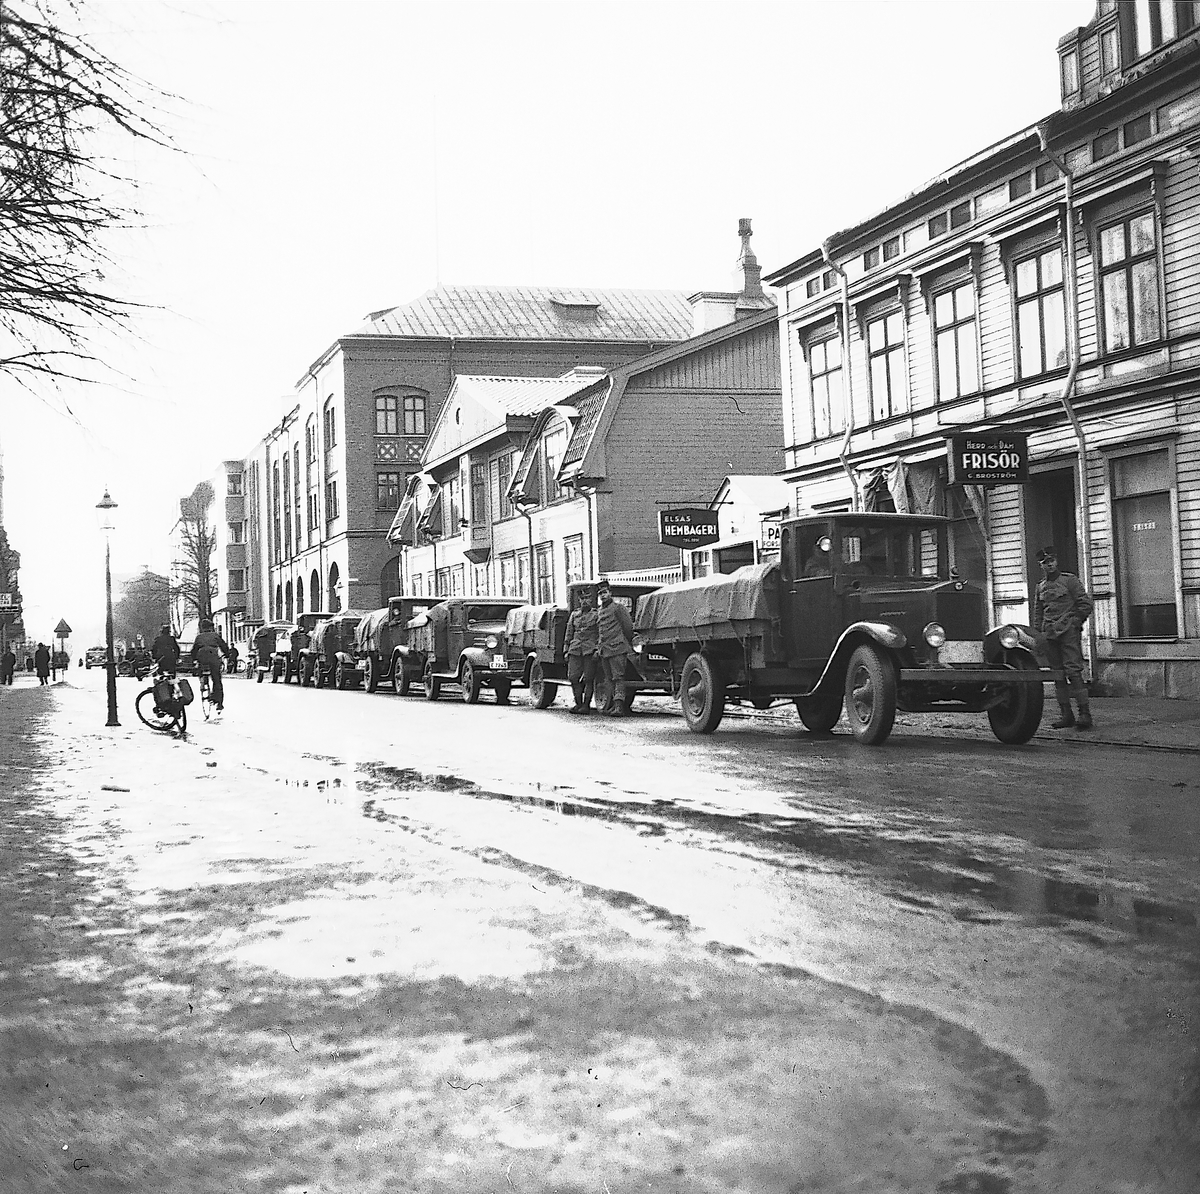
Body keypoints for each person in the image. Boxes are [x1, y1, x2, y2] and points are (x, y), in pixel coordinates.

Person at [1033, 545, 1095, 731]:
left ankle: (1084, 714)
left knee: (1073, 672)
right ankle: (1066, 715)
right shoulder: (1040, 587)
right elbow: (1038, 613)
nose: (1050, 565)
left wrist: (1075, 622)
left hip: (1068, 633)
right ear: (1041, 565)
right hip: (1050, 635)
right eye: (1045, 562)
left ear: (1056, 561)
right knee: (1057, 674)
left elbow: (1085, 604)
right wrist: (1039, 634)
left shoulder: (1070, 581)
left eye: (1052, 561)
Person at [595, 582, 636, 716]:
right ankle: (613, 705)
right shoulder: (600, 611)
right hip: (604, 650)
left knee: (618, 677)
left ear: (610, 593)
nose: (603, 596)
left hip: (617, 648)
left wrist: (626, 643)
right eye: (600, 594)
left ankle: (619, 707)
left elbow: (628, 627)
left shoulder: (618, 608)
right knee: (609, 679)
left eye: (605, 592)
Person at [564, 587, 600, 714]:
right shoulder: (574, 615)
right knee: (573, 677)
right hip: (575, 649)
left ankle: (586, 705)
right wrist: (566, 650)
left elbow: (600, 633)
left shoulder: (596, 615)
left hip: (590, 650)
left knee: (588, 678)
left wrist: (597, 649)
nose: (585, 601)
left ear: (591, 600)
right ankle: (578, 703)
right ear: (579, 600)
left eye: (587, 598)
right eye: (582, 599)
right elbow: (569, 633)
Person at [193, 618, 234, 714]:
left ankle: (202, 681)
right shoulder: (215, 635)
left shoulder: (199, 637)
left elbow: (194, 649)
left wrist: (194, 659)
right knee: (217, 679)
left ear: (202, 628)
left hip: (202, 657)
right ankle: (219, 703)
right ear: (211, 627)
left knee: (201, 669)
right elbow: (223, 646)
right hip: (213, 657)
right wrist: (227, 655)